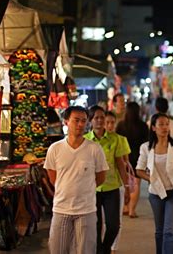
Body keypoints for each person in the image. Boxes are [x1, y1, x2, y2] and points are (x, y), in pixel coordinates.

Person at [44, 106, 109, 254]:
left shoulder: (94, 149)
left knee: (85, 250)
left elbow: (100, 178)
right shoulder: (55, 149)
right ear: (66, 122)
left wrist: (84, 188)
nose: (80, 124)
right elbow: (54, 178)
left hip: (86, 210)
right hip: (61, 208)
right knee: (57, 249)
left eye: (84, 121)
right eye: (76, 120)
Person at [136, 113, 173, 254]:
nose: (165, 127)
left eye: (167, 124)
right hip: (156, 194)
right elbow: (139, 169)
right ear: (153, 128)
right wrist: (152, 179)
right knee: (159, 230)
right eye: (161, 124)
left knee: (169, 231)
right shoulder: (146, 147)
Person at [84, 106, 131, 254]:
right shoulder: (85, 141)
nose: (99, 120)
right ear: (90, 121)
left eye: (102, 117)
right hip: (92, 190)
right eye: (96, 118)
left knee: (114, 225)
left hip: (112, 188)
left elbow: (121, 165)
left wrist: (127, 186)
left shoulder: (115, 139)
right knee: (95, 226)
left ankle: (104, 250)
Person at [116, 102, 150, 218]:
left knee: (125, 183)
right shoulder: (143, 126)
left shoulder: (121, 125)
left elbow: (117, 141)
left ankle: (125, 208)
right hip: (139, 158)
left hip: (124, 158)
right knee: (136, 184)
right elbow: (147, 143)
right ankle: (132, 210)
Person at [105, 111, 130, 254]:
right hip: (97, 187)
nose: (109, 125)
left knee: (116, 221)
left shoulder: (120, 140)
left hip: (117, 184)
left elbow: (124, 164)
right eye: (107, 122)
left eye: (111, 123)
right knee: (100, 221)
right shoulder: (91, 140)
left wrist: (126, 185)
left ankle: (113, 248)